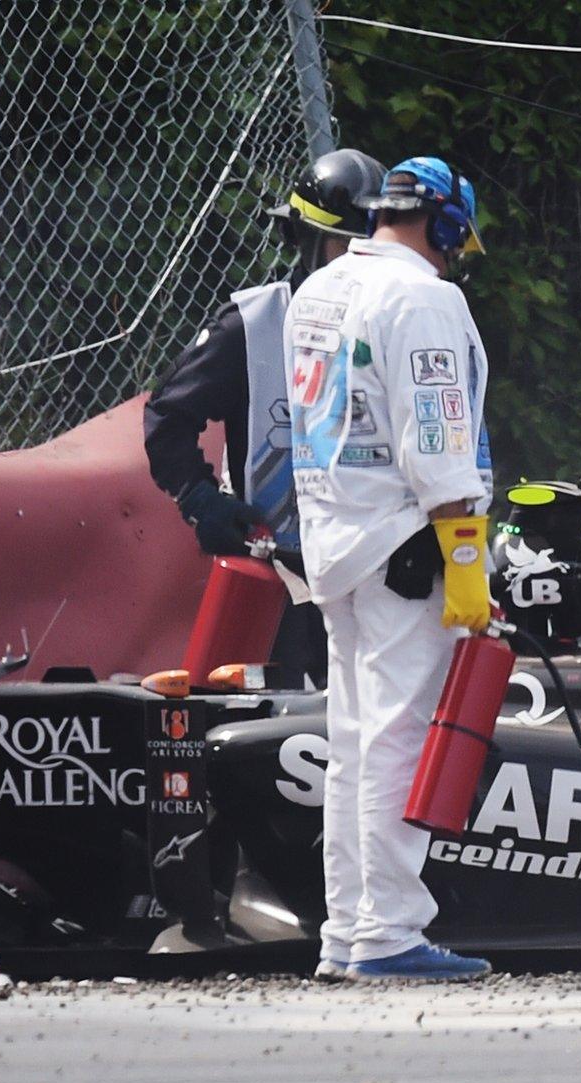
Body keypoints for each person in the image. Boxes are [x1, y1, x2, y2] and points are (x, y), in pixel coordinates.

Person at [288, 157, 495, 983]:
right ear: (444, 224)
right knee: (399, 741)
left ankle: (347, 930)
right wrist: (469, 559)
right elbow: (438, 441)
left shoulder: (320, 288)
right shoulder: (424, 297)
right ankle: (388, 934)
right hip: (406, 544)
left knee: (352, 743)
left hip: (333, 538)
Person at [143, 148, 389, 688]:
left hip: (373, 575)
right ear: (304, 241)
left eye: (368, 250)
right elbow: (168, 416)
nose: (356, 266)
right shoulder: (252, 325)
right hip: (275, 579)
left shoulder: (392, 326)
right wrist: (199, 499)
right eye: (343, 248)